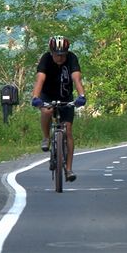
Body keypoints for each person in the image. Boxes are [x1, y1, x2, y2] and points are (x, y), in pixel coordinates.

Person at [31, 35, 86, 182]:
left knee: (68, 130)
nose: (60, 58)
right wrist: (36, 98)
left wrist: (81, 95)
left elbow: (76, 78)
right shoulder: (46, 59)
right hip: (47, 95)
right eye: (57, 55)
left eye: (63, 55)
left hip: (65, 96)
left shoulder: (72, 58)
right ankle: (46, 137)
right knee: (47, 111)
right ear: (51, 52)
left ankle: (68, 170)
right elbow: (40, 80)